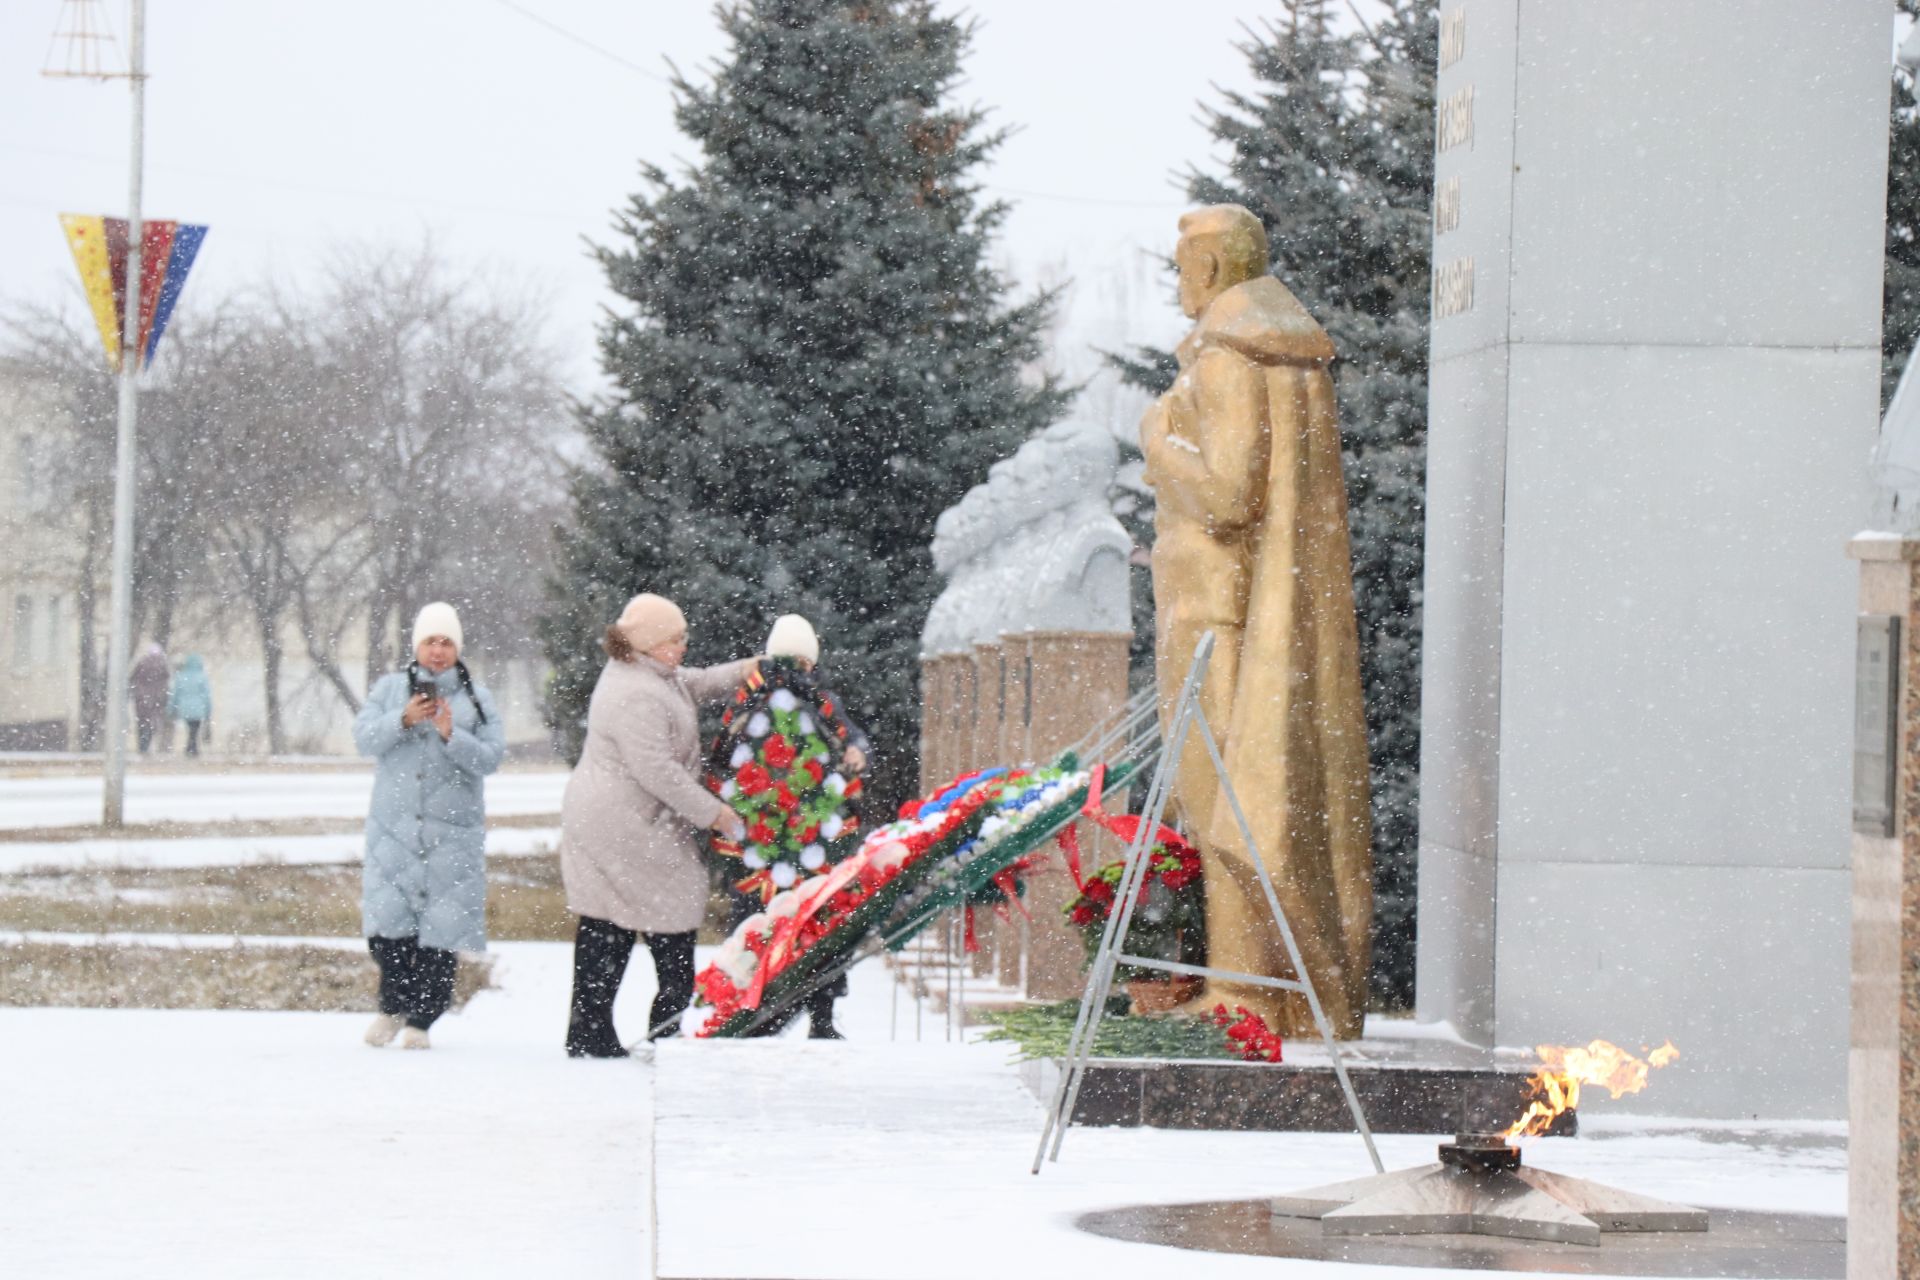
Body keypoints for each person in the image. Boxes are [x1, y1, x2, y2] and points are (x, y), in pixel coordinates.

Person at [559, 593, 755, 1058]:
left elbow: (698, 683)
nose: (684, 645)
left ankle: (601, 1031)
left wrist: (754, 667)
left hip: (633, 821)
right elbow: (658, 771)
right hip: (621, 824)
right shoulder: (634, 693)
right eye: (675, 639)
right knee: (650, 921)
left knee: (616, 924)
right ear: (649, 643)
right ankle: (643, 1030)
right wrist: (717, 814)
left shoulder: (652, 674)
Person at [352, 602, 505, 1050]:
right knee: (389, 928)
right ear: (416, 646)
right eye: (430, 642)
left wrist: (450, 734)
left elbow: (492, 757)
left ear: (458, 648)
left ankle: (423, 1018)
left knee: (441, 930)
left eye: (446, 642)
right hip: (394, 833)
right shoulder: (388, 690)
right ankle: (391, 1005)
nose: (438, 652)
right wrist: (403, 719)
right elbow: (363, 738)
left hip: (450, 834)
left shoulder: (476, 696)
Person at [715, 613, 870, 1039]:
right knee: (801, 918)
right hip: (769, 838)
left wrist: (856, 750)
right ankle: (753, 1006)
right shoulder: (753, 699)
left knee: (807, 918)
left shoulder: (809, 701)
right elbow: (726, 755)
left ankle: (794, 1010)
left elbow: (851, 738)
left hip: (802, 834)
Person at [167, 654, 213, 758]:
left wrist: (172, 708)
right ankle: (192, 748)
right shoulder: (202, 676)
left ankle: (191, 747)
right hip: (198, 707)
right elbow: (207, 695)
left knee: (191, 728)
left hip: (184, 707)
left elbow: (175, 693)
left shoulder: (181, 676)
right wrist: (208, 710)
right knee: (194, 728)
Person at [129, 643, 171, 754]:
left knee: (142, 722)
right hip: (156, 699)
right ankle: (146, 745)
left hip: (142, 699)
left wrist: (137, 692)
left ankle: (142, 746)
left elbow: (132, 678)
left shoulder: (142, 663)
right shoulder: (163, 665)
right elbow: (166, 681)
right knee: (152, 723)